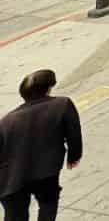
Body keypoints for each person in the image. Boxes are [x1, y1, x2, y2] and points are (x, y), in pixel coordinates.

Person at [0, 69, 82, 221]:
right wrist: (74, 156)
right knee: (48, 204)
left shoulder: (6, 121)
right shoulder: (62, 104)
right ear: (49, 88)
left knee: (15, 215)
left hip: (10, 179)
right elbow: (74, 133)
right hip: (45, 171)